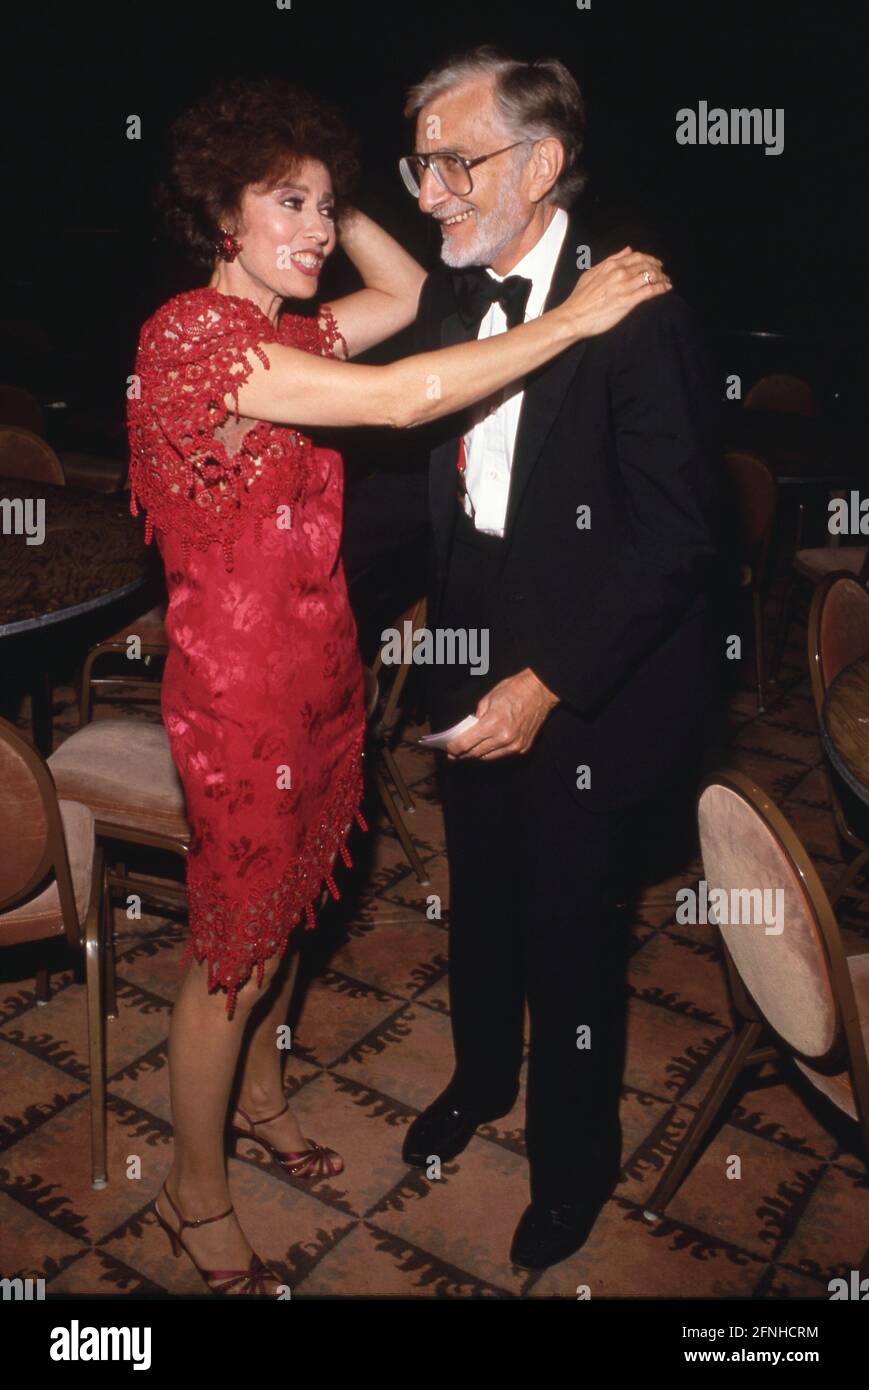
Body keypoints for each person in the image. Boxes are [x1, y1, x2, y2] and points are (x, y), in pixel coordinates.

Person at [128, 74, 668, 1295]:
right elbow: (407, 390)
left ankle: (258, 1102)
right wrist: (575, 319)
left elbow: (415, 300)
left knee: (290, 924)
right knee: (236, 954)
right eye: (286, 204)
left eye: (324, 205)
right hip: (237, 703)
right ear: (222, 212)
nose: (317, 231)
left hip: (318, 683)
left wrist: (344, 181)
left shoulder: (290, 328)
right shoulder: (191, 341)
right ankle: (188, 1197)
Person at [395, 47, 721, 1270]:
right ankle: (478, 1080)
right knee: (476, 890)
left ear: (539, 165)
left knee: (572, 930)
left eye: (454, 162)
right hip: (475, 615)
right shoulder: (454, 285)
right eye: (416, 160)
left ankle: (572, 1165)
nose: (428, 190)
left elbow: (678, 540)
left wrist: (545, 684)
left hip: (589, 668)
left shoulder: (637, 311)